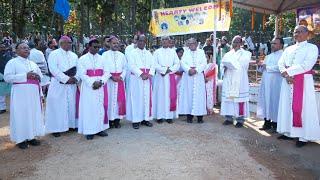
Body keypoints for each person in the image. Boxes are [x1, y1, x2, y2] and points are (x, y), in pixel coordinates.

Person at [277, 25, 320, 147]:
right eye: (295, 32)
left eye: (300, 32)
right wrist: (285, 75)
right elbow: (281, 63)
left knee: (304, 107)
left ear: (307, 34)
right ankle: (288, 131)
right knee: (286, 105)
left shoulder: (312, 48)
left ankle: (303, 136)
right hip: (288, 81)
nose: (297, 34)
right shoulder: (288, 48)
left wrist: (288, 72)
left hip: (303, 82)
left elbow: (307, 65)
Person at [4, 42, 44, 149]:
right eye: (23, 48)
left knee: (32, 114)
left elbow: (40, 77)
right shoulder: (12, 62)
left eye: (27, 48)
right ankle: (20, 139)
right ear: (16, 51)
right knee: (21, 114)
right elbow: (7, 77)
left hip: (33, 93)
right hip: (20, 93)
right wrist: (25, 75)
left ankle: (31, 137)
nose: (26, 50)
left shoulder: (33, 63)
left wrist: (38, 78)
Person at [45, 36, 80, 137]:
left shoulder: (74, 55)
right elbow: (53, 69)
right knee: (57, 106)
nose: (70, 44)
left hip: (71, 85)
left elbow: (79, 68)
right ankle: (56, 128)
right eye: (68, 42)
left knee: (71, 104)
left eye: (70, 43)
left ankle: (71, 125)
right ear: (61, 43)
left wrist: (76, 78)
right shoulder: (54, 54)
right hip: (58, 84)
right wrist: (65, 79)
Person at [77, 39, 109, 140]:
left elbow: (107, 72)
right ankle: (89, 130)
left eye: (98, 47)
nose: (96, 49)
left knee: (99, 107)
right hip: (88, 87)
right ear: (89, 47)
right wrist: (92, 83)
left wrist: (101, 81)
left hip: (100, 86)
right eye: (94, 47)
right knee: (89, 108)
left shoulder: (102, 58)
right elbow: (81, 74)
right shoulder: (82, 59)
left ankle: (100, 129)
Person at [220, 35, 252, 128]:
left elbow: (244, 64)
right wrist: (225, 67)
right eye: (234, 42)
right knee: (228, 100)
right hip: (229, 79)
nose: (236, 44)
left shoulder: (246, 53)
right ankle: (229, 118)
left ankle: (240, 120)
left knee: (239, 100)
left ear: (241, 43)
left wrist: (232, 64)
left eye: (238, 42)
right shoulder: (228, 54)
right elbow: (222, 64)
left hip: (240, 80)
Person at [126, 34, 154, 129]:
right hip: (136, 79)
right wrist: (141, 74)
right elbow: (131, 66)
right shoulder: (132, 53)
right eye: (140, 41)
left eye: (143, 41)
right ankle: (136, 120)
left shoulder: (149, 53)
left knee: (146, 99)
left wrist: (149, 74)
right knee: (136, 99)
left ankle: (146, 119)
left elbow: (153, 65)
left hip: (147, 79)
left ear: (145, 42)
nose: (141, 42)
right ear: (137, 42)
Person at [257, 38, 284, 131]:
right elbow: (262, 69)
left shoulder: (283, 55)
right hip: (266, 83)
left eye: (275, 43)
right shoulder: (268, 56)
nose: (272, 45)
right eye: (272, 43)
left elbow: (280, 68)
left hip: (276, 84)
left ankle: (276, 124)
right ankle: (267, 122)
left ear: (281, 45)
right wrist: (259, 65)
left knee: (275, 102)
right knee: (266, 101)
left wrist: (267, 67)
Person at [178, 38, 207, 123]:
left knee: (199, 97)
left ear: (197, 44)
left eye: (193, 43)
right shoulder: (185, 53)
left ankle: (200, 117)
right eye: (190, 44)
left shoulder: (201, 52)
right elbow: (182, 63)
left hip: (198, 77)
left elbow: (204, 63)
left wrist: (196, 70)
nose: (192, 45)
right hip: (188, 77)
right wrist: (188, 70)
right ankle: (189, 117)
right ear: (188, 45)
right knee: (188, 96)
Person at [153, 36, 180, 124]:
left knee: (169, 96)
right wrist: (163, 70)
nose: (164, 41)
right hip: (160, 78)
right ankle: (159, 116)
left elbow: (177, 64)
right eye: (163, 40)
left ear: (169, 41)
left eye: (166, 40)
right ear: (161, 42)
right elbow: (154, 64)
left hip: (169, 77)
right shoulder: (157, 52)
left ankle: (169, 116)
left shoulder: (173, 52)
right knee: (160, 96)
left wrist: (168, 70)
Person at [102, 36, 127, 128]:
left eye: (117, 43)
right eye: (114, 43)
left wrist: (121, 76)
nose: (116, 45)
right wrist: (111, 76)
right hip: (109, 81)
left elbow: (125, 68)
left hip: (119, 80)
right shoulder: (105, 55)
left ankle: (117, 120)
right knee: (109, 99)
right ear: (109, 44)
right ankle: (109, 120)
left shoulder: (122, 55)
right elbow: (103, 68)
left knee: (118, 100)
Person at [0, 42, 13, 114]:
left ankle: (14, 107)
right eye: (1, 47)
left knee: (12, 92)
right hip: (0, 75)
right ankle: (2, 108)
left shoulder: (9, 55)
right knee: (1, 93)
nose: (2, 48)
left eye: (3, 47)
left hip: (9, 74)